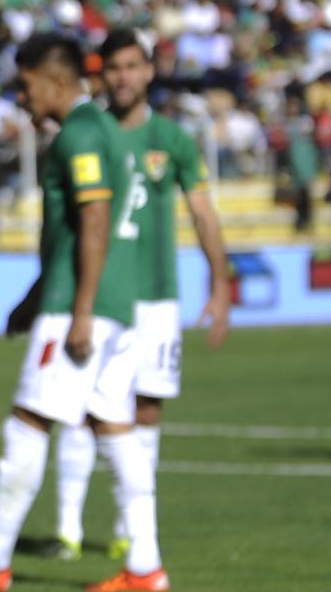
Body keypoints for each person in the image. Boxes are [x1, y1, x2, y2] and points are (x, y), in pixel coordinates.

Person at [0, 33, 167, 592]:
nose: (22, 98)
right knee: (115, 429)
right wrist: (34, 299)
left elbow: (96, 219)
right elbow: (76, 231)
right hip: (115, 301)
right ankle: (147, 565)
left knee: (28, 421)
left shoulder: (80, 134)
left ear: (56, 81)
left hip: (83, 307)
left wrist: (75, 310)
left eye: (26, 86)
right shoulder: (106, 132)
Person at [53, 29, 232, 562]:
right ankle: (66, 525)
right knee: (81, 406)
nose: (123, 77)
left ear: (149, 71)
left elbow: (202, 212)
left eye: (133, 66)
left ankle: (129, 525)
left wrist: (221, 286)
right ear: (100, 75)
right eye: (113, 68)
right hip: (104, 291)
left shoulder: (173, 140)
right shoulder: (90, 132)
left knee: (147, 408)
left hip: (156, 297)